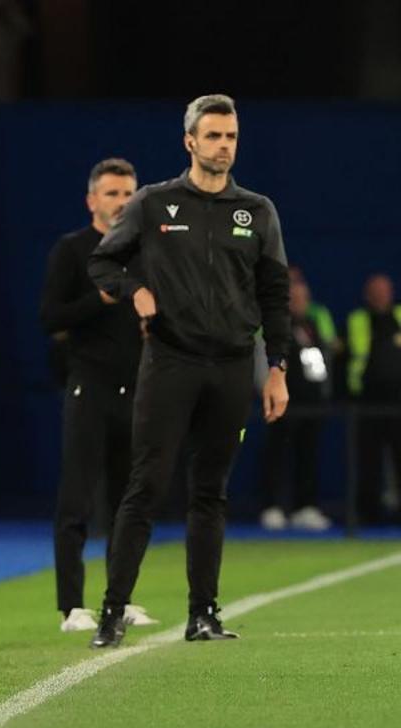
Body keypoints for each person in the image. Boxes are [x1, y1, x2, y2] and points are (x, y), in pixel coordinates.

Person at [88, 94, 290, 648]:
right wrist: (138, 289)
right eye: (214, 136)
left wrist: (276, 368)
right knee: (146, 488)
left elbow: (275, 296)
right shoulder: (154, 204)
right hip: (171, 362)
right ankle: (112, 613)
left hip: (230, 366)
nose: (224, 146)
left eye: (231, 137)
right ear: (190, 142)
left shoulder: (258, 211)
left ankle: (203, 615)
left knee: (211, 493)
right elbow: (103, 261)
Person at [40, 158, 156, 632]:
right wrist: (101, 300)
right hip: (89, 388)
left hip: (137, 392)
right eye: (112, 194)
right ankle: (72, 607)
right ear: (92, 200)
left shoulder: (147, 253)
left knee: (129, 502)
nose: (121, 202)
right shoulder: (72, 250)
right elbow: (50, 317)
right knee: (78, 500)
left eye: (129, 194)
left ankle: (120, 598)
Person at [259, 267, 338, 531]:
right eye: (294, 299)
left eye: (303, 299)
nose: (299, 303)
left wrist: (323, 392)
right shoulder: (276, 324)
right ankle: (273, 507)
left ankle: (306, 507)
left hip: (311, 404)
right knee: (277, 455)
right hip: (282, 402)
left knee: (308, 455)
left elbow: (323, 358)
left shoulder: (315, 323)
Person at [346, 273, 401, 524]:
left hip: (398, 402)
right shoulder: (357, 319)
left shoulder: (399, 316)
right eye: (375, 292)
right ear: (368, 295)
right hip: (366, 402)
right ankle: (368, 514)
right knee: (367, 461)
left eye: (384, 291)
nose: (380, 296)